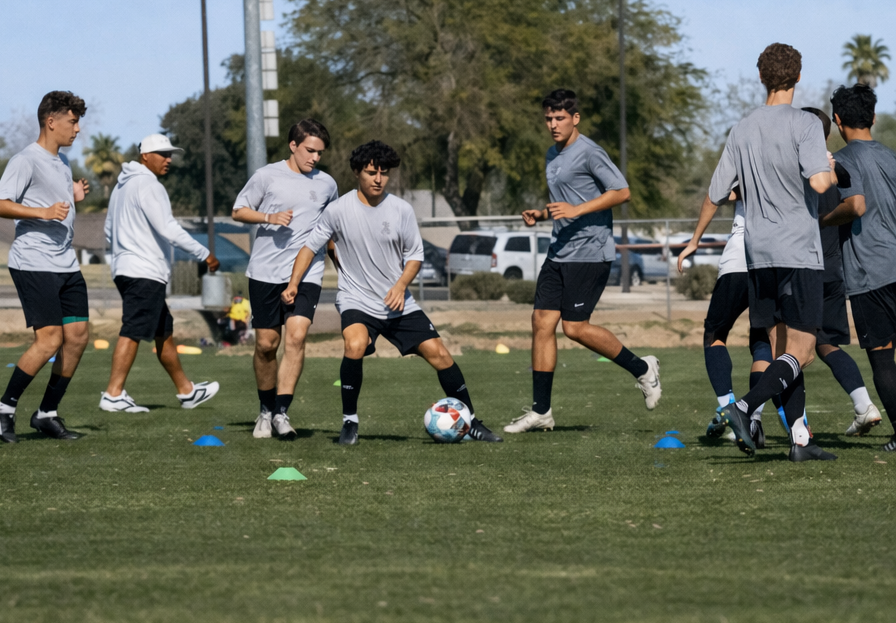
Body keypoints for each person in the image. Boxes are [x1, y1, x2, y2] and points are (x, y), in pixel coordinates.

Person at [282, 140, 502, 446]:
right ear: (357, 171)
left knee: (440, 355)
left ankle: (472, 421)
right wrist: (294, 284)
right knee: (355, 344)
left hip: (398, 304)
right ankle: (349, 422)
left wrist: (400, 286)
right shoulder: (338, 210)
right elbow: (309, 247)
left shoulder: (401, 210)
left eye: (384, 173)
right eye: (371, 172)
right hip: (357, 299)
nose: (378, 179)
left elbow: (415, 255)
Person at [503, 89, 661, 434]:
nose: (553, 124)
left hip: (590, 253)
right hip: (559, 250)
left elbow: (621, 192)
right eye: (548, 118)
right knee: (541, 322)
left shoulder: (590, 152)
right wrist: (543, 213)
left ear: (575, 119)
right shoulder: (551, 154)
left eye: (559, 118)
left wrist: (576, 210)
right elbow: (565, 201)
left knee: (574, 328)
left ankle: (643, 369)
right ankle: (541, 411)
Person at [716, 44, 838, 461]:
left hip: (757, 252)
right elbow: (821, 185)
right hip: (798, 251)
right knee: (802, 350)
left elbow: (718, 191)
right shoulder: (804, 123)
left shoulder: (742, 127)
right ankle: (746, 406)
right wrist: (831, 168)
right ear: (798, 78)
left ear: (762, 77)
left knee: (783, 347)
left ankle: (800, 440)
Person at [0, 91, 91, 443]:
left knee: (77, 338)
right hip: (34, 262)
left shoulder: (61, 162)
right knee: (50, 340)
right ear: (51, 121)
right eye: (73, 121)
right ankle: (3, 408)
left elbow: (52, 198)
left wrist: (73, 195)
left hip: (65, 263)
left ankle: (46, 413)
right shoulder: (25, 159)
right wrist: (42, 213)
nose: (78, 129)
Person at [232, 119, 339, 440]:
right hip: (265, 273)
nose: (315, 158)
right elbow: (238, 211)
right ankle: (265, 410)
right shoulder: (266, 176)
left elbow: (331, 231)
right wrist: (269, 217)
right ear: (293, 146)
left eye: (320, 153)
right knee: (267, 344)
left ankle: (281, 413)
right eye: (310, 150)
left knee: (296, 336)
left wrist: (344, 267)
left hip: (307, 272)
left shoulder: (327, 185)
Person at [99, 133, 221, 413]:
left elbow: (108, 231)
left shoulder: (120, 188)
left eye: (170, 155)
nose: (168, 160)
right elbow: (168, 228)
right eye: (162, 155)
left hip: (125, 269)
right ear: (145, 157)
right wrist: (205, 254)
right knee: (133, 329)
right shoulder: (149, 185)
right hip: (144, 271)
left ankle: (187, 391)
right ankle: (113, 394)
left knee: (162, 331)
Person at [821, 84, 896, 453]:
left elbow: (857, 206)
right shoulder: (890, 156)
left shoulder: (842, 160)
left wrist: (822, 220)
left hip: (870, 274)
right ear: (874, 117)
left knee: (882, 358)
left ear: (837, 121)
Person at [801, 106, 881, 435]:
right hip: (834, 270)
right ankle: (864, 405)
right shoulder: (841, 168)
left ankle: (752, 416)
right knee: (827, 344)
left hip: (804, 270)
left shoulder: (803, 170)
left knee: (781, 344)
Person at [676, 189, 775, 447]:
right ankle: (756, 418)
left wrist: (694, 240)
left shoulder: (742, 148)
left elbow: (716, 195)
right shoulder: (795, 152)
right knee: (765, 339)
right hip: (777, 257)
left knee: (715, 333)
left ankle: (731, 411)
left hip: (740, 258)